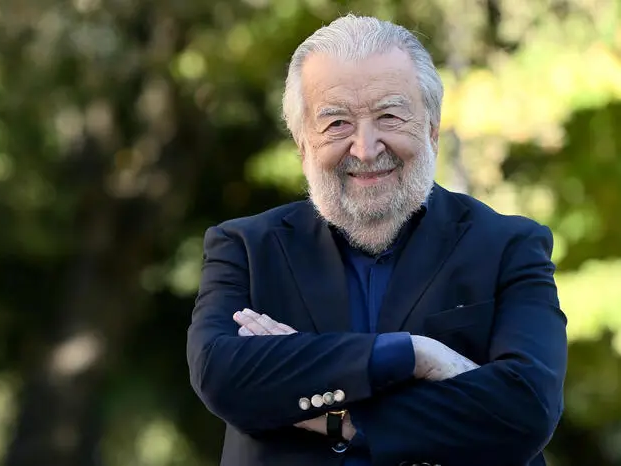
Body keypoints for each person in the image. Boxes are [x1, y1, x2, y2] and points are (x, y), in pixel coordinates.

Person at [186, 14, 567, 466]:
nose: (366, 149)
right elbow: (222, 374)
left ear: (431, 127)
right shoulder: (245, 247)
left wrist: (344, 417)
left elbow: (527, 410)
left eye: (389, 115)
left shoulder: (510, 246)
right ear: (302, 142)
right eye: (337, 124)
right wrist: (412, 354)